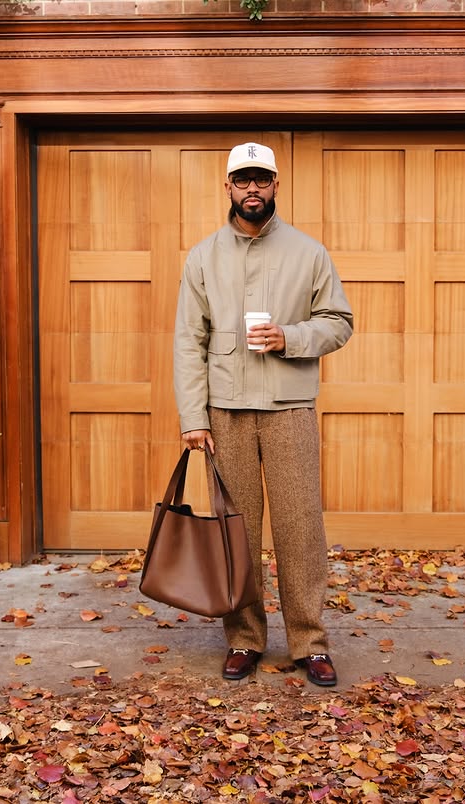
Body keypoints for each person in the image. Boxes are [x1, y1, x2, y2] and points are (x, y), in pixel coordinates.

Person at [173, 142, 353, 686]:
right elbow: (189, 340)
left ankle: (310, 643)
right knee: (237, 531)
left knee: (301, 528)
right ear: (227, 186)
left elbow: (339, 321)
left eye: (262, 178)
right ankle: (244, 638)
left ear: (276, 185)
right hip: (225, 411)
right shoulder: (203, 257)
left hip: (289, 408)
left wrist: (290, 337)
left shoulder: (309, 252)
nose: (252, 188)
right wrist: (193, 417)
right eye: (242, 179)